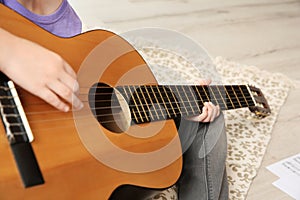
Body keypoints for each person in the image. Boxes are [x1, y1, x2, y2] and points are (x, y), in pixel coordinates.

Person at [0, 0, 228, 199]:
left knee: (208, 117)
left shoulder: (69, 24)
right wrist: (11, 53)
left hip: (49, 157)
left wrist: (174, 104)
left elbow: (84, 102)